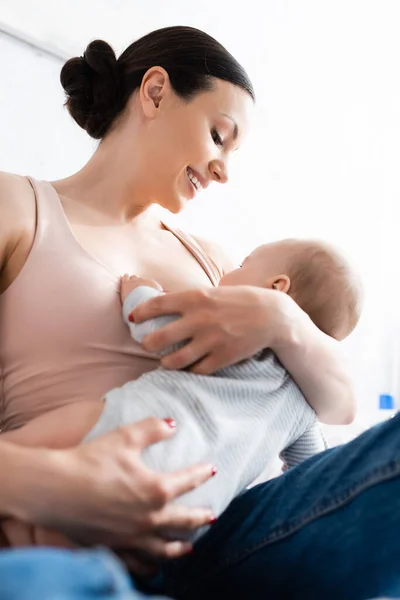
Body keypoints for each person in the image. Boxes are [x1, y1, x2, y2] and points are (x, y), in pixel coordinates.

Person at [3, 24, 395, 600]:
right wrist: (57, 485)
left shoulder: (216, 263)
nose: (223, 172)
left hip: (226, 534)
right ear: (155, 93)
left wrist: (283, 321)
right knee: (41, 583)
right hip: (71, 523)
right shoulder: (18, 208)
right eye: (218, 135)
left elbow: (336, 405)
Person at [1, 238, 362, 549]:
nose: (226, 273)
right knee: (62, 542)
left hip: (128, 428)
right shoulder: (302, 409)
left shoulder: (233, 334)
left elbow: (156, 328)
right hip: (190, 509)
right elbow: (309, 472)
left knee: (33, 442)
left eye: (241, 265)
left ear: (276, 288)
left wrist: (139, 291)